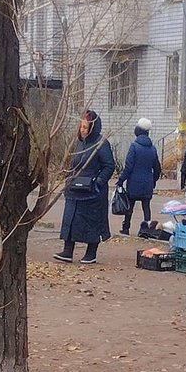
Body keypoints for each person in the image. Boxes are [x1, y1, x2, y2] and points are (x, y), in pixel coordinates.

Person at [56, 109, 116, 265]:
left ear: (92, 128)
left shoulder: (101, 143)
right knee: (71, 217)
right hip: (75, 188)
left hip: (92, 191)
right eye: (81, 127)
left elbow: (109, 165)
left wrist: (98, 182)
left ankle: (91, 253)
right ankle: (67, 250)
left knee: (91, 221)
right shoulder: (78, 143)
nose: (82, 130)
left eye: (85, 127)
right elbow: (73, 163)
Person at [115, 117, 162, 236]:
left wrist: (121, 180)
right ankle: (146, 230)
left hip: (134, 183)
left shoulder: (134, 147)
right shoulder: (153, 148)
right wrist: (153, 180)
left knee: (129, 206)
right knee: (146, 207)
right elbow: (157, 168)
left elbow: (128, 167)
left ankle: (126, 228)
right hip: (147, 183)